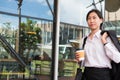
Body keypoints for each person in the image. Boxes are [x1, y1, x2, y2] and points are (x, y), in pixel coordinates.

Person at [75, 9, 120, 80]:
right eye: (89, 18)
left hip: (103, 75)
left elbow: (118, 59)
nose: (91, 21)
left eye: (94, 18)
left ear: (101, 20)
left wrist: (104, 42)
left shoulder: (107, 37)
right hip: (87, 74)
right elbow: (83, 62)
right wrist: (79, 60)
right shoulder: (84, 39)